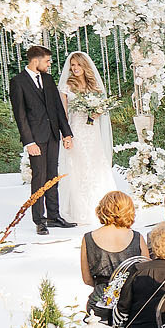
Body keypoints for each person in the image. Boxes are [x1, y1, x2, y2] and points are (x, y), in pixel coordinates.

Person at [7, 44, 75, 234]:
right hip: (35, 138)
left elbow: (58, 109)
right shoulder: (18, 82)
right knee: (39, 177)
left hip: (52, 135)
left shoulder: (48, 79)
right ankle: (39, 220)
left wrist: (66, 134)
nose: (49, 64)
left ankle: (54, 216)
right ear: (35, 60)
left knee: (53, 176)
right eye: (47, 61)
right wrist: (29, 142)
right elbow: (20, 115)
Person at [56, 50, 117, 219]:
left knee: (97, 165)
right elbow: (63, 114)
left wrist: (97, 112)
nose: (75, 68)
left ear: (85, 66)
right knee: (79, 167)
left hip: (93, 131)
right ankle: (82, 210)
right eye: (72, 65)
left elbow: (102, 106)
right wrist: (66, 136)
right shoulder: (66, 86)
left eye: (78, 64)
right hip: (76, 131)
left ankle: (105, 207)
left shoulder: (94, 85)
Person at [80, 190, 145, 317]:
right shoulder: (137, 237)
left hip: (100, 301)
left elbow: (87, 279)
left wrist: (104, 286)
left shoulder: (88, 238)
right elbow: (145, 274)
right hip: (131, 303)